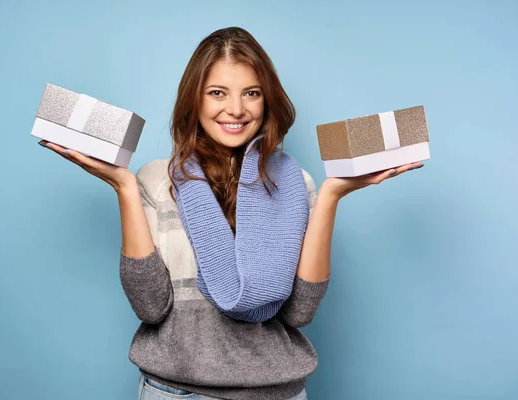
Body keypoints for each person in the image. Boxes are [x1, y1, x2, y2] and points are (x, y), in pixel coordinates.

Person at [39, 26, 423, 400]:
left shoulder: (292, 183)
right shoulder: (156, 180)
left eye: (251, 93)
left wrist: (330, 197)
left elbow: (299, 312)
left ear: (267, 100)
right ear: (195, 100)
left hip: (278, 393)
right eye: (217, 92)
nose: (235, 109)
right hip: (178, 392)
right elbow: (150, 306)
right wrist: (123, 186)